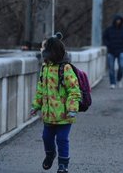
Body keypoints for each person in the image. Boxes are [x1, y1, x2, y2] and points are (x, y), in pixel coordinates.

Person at [31, 33, 81, 173]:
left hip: (65, 114)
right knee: (46, 137)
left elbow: (74, 90)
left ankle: (63, 165)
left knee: (62, 139)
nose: (44, 55)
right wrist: (36, 105)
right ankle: (50, 154)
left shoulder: (65, 68)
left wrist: (72, 108)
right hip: (48, 114)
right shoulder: (45, 68)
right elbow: (41, 89)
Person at [102, 14, 123, 89]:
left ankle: (119, 79)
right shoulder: (109, 29)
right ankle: (112, 83)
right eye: (117, 20)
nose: (118, 21)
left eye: (119, 20)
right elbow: (104, 38)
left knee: (121, 66)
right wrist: (108, 44)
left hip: (120, 50)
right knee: (111, 68)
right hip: (111, 51)